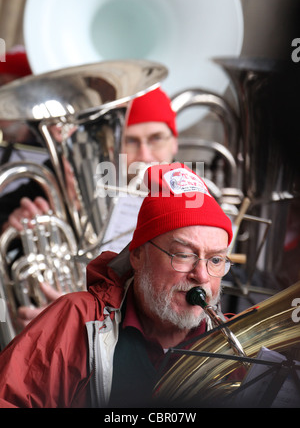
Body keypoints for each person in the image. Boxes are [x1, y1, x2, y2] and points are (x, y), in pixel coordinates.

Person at [0, 162, 233, 408]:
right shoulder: (77, 318)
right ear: (138, 256)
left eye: (215, 260)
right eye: (184, 255)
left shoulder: (236, 341)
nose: (202, 276)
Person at [0, 87, 179, 327]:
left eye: (156, 138)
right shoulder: (65, 180)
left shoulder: (191, 200)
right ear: (112, 146)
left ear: (174, 142)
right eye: (130, 141)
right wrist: (10, 230)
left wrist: (75, 313)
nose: (145, 155)